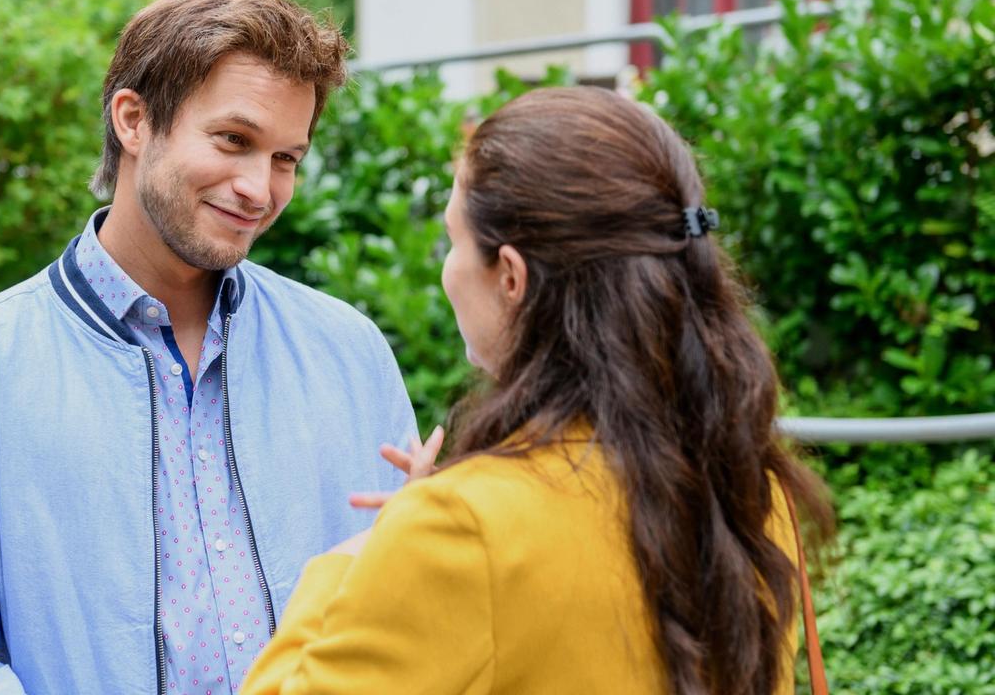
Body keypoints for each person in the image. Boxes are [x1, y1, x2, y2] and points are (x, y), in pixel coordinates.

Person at [0, 0, 417, 694]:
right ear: (133, 120)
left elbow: (404, 610)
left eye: (285, 159)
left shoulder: (350, 352)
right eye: (234, 141)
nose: (259, 189)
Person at [240, 86, 834, 695]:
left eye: (454, 242)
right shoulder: (751, 487)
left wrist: (368, 555)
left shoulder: (464, 528)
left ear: (512, 277)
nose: (447, 270)